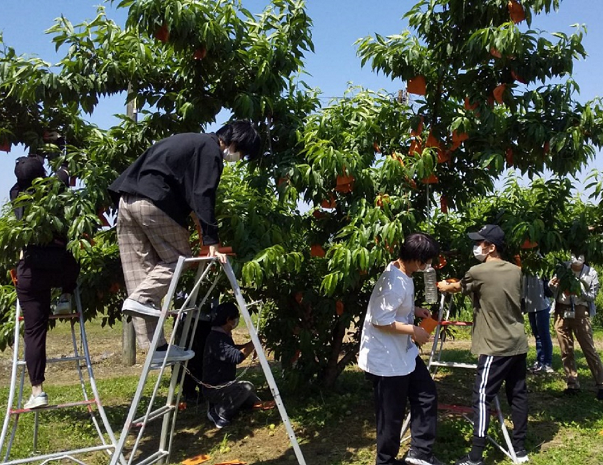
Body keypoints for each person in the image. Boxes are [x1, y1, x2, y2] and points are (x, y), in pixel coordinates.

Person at [108, 121, 260, 364]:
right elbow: (203, 194)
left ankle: (156, 349)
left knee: (142, 276)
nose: (238, 158)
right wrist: (212, 242)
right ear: (234, 142)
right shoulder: (211, 151)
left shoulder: (190, 142)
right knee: (179, 259)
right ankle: (141, 301)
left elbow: (189, 195)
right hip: (153, 202)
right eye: (242, 152)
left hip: (127, 202)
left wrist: (200, 227)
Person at [437, 224, 529, 465]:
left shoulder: (478, 271)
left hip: (494, 346)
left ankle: (476, 455)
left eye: (480, 243)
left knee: (481, 396)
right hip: (518, 342)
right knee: (517, 395)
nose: (476, 246)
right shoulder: (516, 271)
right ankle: (519, 449)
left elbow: (458, 287)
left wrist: (445, 286)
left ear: (491, 247)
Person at [358, 233, 444, 465]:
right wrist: (413, 330)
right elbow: (379, 319)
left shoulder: (403, 272)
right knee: (391, 416)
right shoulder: (393, 283)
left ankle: (420, 453)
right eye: (427, 261)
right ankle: (385, 461)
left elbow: (396, 306)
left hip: (404, 354)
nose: (428, 266)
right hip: (386, 360)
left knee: (426, 395)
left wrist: (415, 310)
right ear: (417, 259)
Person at [11, 156, 80, 409]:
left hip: (31, 272)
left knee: (34, 332)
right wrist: (60, 144)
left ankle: (37, 390)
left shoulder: (16, 193)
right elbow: (65, 168)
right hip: (62, 269)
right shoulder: (55, 188)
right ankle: (65, 297)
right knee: (74, 253)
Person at [548, 253, 603, 399]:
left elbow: (592, 296)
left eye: (580, 255)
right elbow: (553, 289)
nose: (576, 258)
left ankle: (601, 383)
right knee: (566, 348)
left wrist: (578, 290)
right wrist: (552, 285)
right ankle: (572, 382)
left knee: (588, 348)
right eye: (574, 254)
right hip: (561, 310)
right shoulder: (562, 268)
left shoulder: (591, 273)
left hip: (579, 311)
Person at [202, 302, 263, 429]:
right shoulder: (216, 339)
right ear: (228, 320)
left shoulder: (222, 336)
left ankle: (220, 404)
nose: (236, 321)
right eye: (234, 318)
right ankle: (218, 413)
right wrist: (254, 343)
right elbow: (237, 357)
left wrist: (251, 345)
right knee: (246, 387)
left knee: (253, 400)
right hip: (215, 388)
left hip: (225, 384)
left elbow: (233, 349)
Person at [523, 274, 554, 374]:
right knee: (537, 335)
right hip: (530, 305)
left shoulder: (541, 266)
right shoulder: (525, 267)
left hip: (542, 305)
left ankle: (547, 363)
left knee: (544, 334)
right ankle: (540, 361)